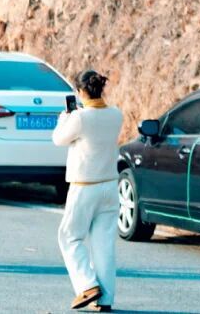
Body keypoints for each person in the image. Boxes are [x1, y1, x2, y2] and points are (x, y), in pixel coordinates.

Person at [52, 67, 124, 312]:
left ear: (80, 91)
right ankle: (105, 300)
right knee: (104, 245)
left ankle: (87, 284)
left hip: (84, 186)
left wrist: (65, 117)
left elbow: (59, 139)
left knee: (69, 237)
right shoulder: (116, 114)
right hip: (110, 186)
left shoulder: (79, 118)